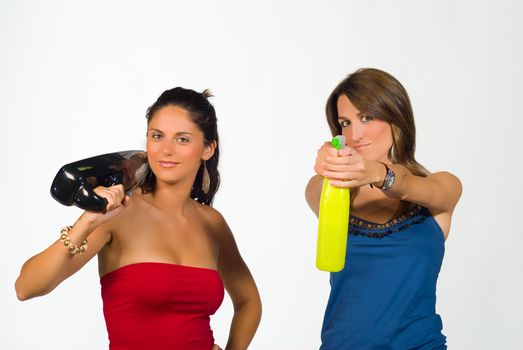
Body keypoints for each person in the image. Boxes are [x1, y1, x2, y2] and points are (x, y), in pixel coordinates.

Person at [15, 87, 262, 350]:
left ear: (208, 149)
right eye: (157, 136)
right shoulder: (119, 213)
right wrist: (86, 222)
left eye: (182, 139)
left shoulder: (212, 223)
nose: (166, 150)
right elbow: (26, 287)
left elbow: (249, 302)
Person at [305, 68, 462, 349]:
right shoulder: (331, 193)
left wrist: (377, 173)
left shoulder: (440, 187)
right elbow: (315, 188)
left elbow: (407, 185)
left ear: (395, 117)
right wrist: (331, 169)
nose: (355, 134)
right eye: (345, 122)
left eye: (366, 117)